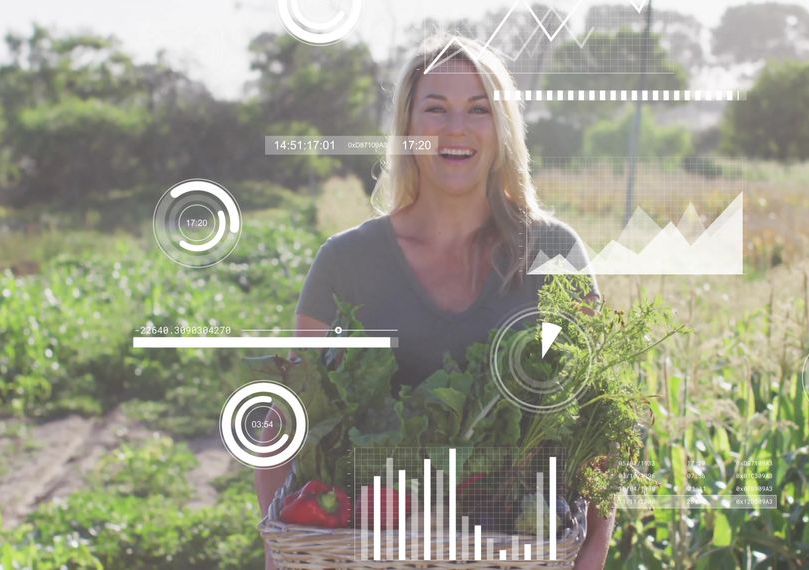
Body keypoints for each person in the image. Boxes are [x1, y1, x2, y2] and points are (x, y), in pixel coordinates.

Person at [255, 36, 612, 569]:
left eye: (479, 109)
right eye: (436, 109)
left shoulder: (555, 253)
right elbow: (286, 420)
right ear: (407, 129)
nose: (456, 129)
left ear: (503, 128)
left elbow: (598, 419)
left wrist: (593, 555)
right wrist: (282, 550)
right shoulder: (345, 261)